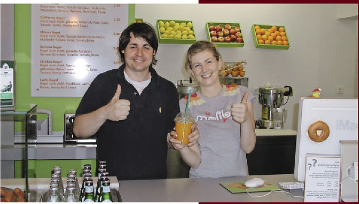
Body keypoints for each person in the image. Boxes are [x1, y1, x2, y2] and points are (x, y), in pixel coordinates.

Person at [73, 23, 199, 180]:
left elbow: (170, 136)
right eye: (133, 46)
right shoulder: (104, 82)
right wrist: (105, 112)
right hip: (110, 185)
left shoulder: (167, 89)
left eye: (146, 47)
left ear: (154, 52)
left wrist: (181, 138)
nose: (139, 53)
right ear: (122, 49)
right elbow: (78, 130)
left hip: (155, 185)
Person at [170, 40, 256, 178]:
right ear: (191, 71)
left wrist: (245, 120)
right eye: (197, 65)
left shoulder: (241, 94)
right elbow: (196, 161)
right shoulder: (186, 105)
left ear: (219, 63)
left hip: (237, 184)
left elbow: (249, 147)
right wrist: (183, 147)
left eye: (208, 61)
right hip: (202, 184)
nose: (204, 69)